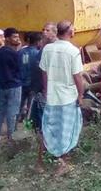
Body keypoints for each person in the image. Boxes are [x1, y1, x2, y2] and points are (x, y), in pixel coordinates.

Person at [39, 21, 85, 176]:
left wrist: (46, 90)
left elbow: (44, 73)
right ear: (69, 32)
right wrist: (81, 94)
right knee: (66, 130)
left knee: (48, 127)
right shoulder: (73, 51)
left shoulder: (47, 49)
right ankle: (62, 163)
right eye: (73, 28)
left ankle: (40, 163)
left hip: (52, 96)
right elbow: (77, 76)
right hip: (67, 97)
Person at [28, 22, 56, 172]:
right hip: (42, 94)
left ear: (55, 33)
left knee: (47, 127)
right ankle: (42, 161)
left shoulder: (49, 50)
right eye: (43, 29)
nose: (44, 32)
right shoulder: (43, 50)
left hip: (49, 94)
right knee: (44, 127)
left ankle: (45, 159)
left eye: (48, 30)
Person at [0, 27, 22, 143]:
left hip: (3, 85)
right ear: (7, 38)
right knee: (12, 112)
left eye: (18, 37)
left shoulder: (1, 51)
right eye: (14, 37)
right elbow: (19, 67)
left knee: (1, 111)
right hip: (14, 85)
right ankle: (11, 137)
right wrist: (18, 50)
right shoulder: (12, 53)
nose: (17, 39)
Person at [19, 32, 42, 121]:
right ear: (38, 42)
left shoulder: (21, 52)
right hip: (33, 84)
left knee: (19, 104)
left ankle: (14, 125)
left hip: (21, 82)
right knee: (30, 105)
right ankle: (28, 124)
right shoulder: (39, 53)